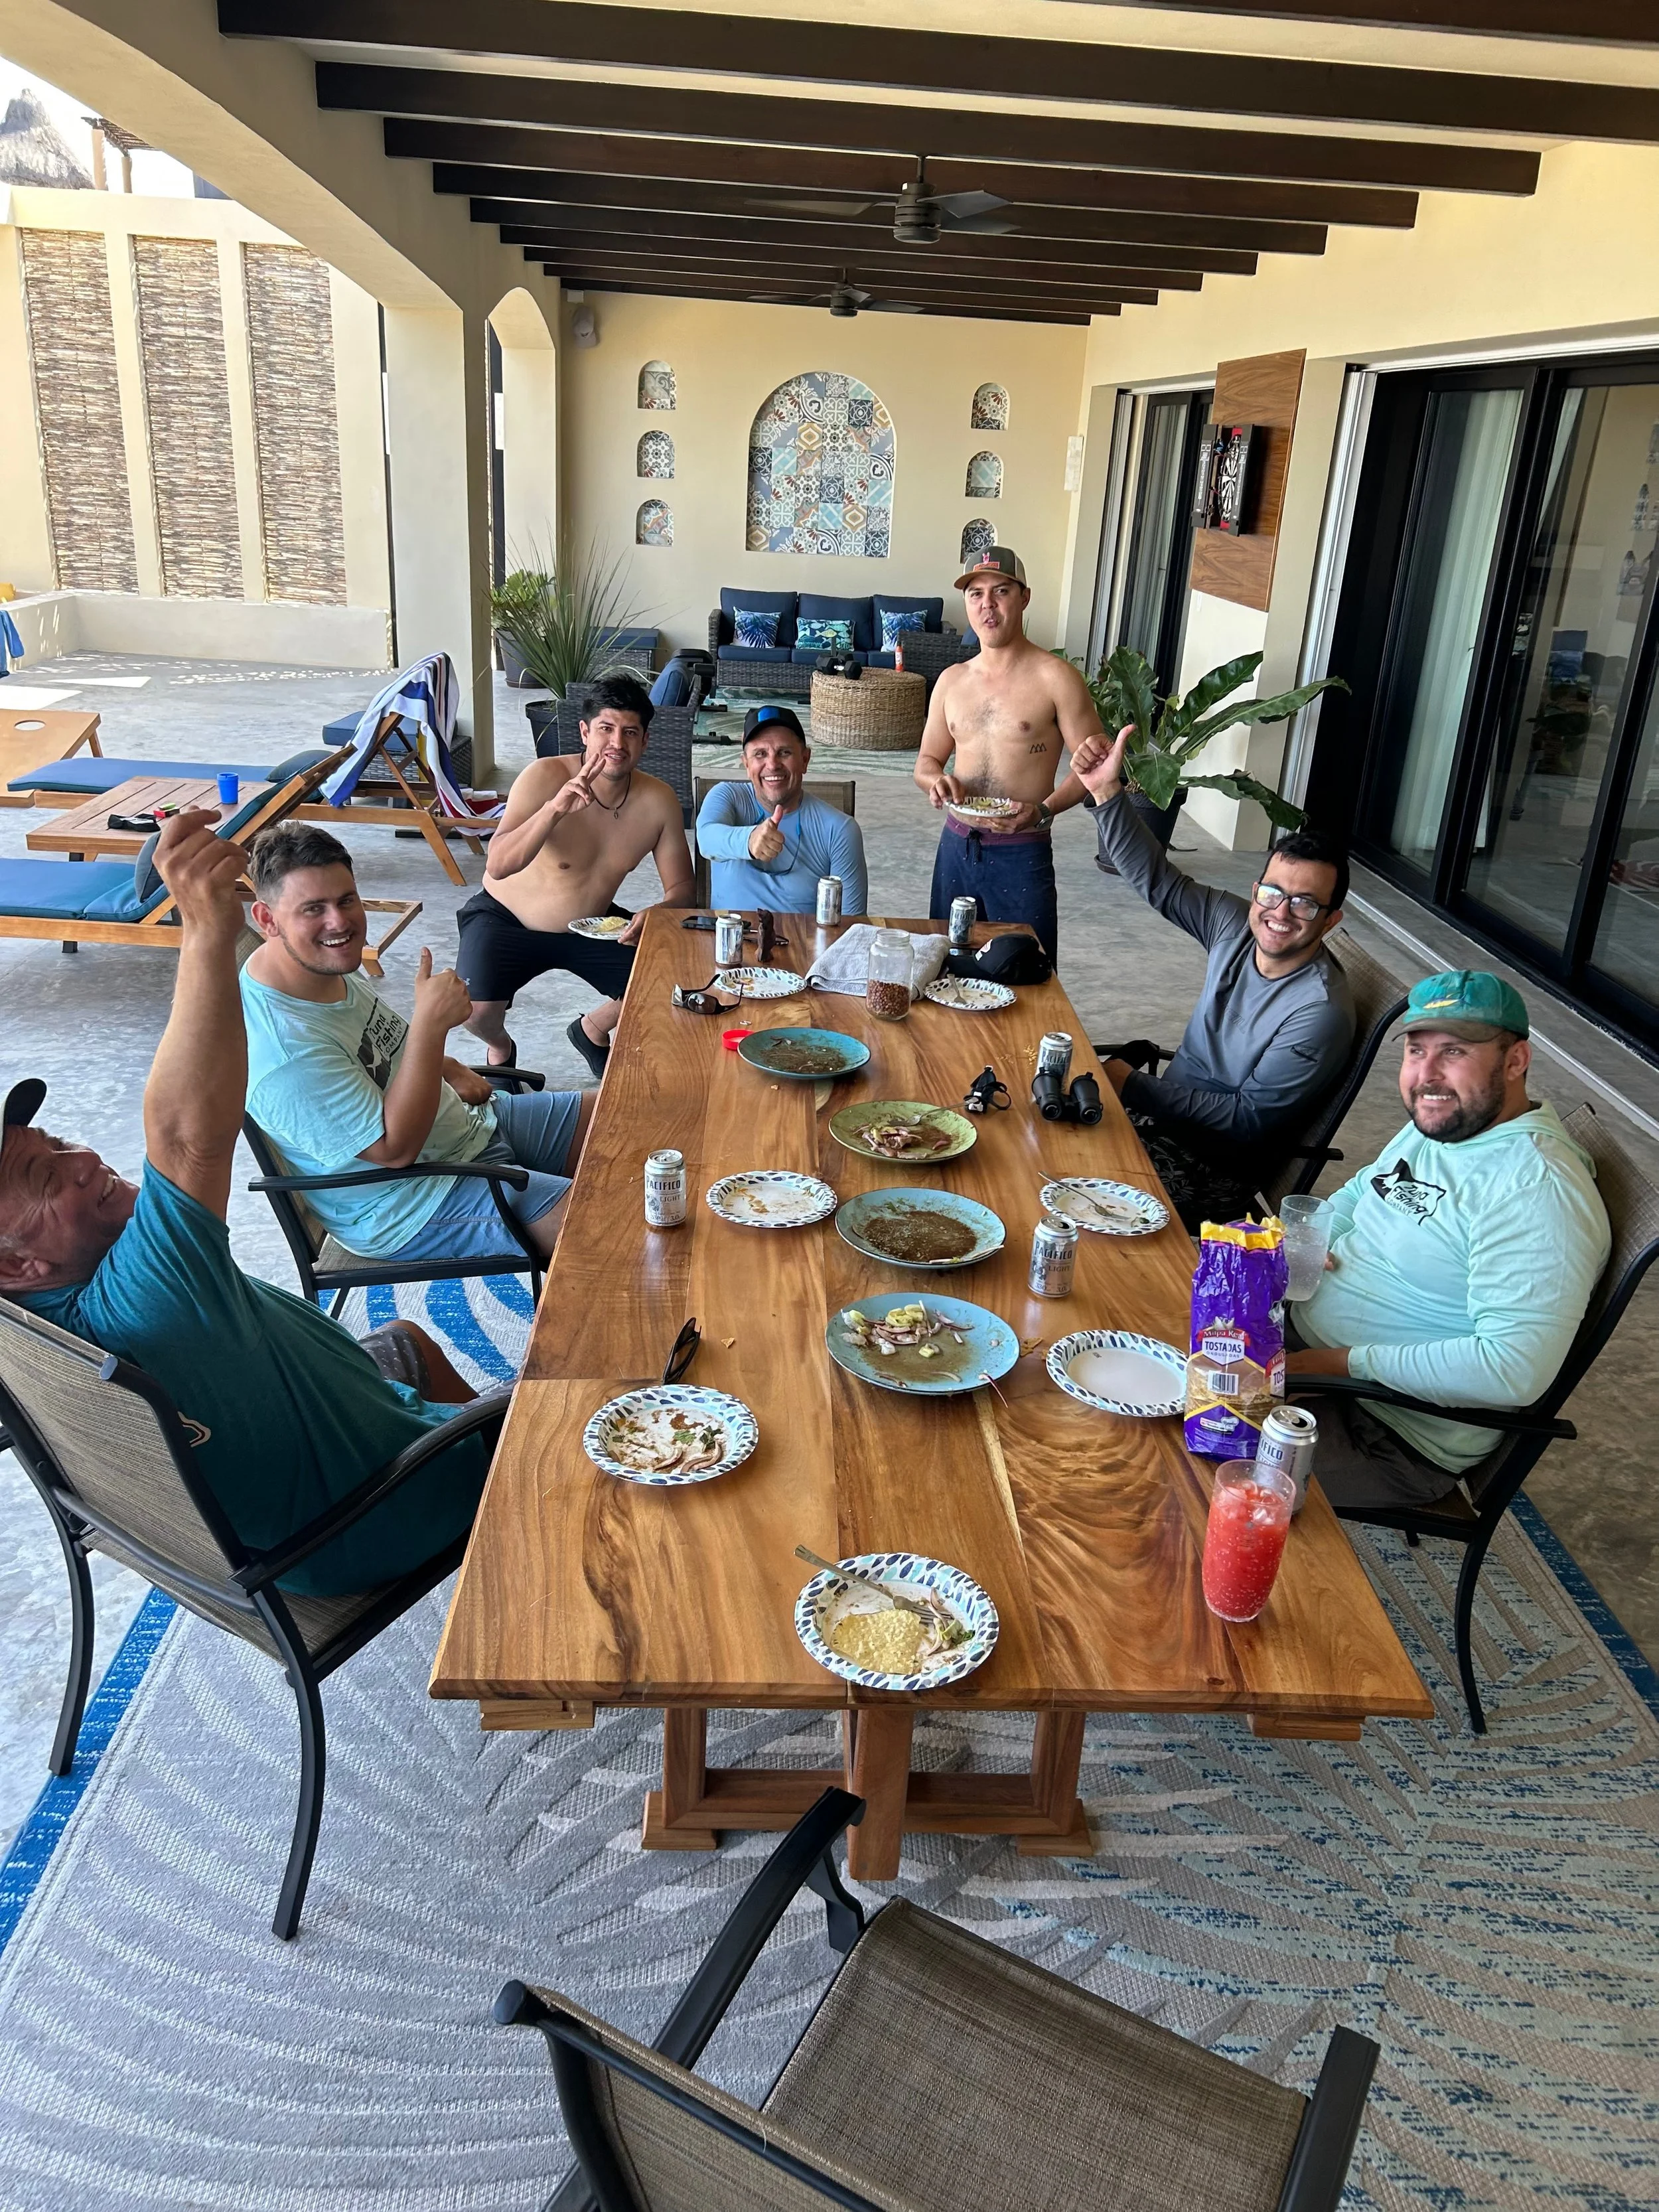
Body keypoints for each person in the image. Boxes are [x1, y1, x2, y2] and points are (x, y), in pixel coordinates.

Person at [0, 810, 493, 1599]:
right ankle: (513, 1512)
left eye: (57, 1141)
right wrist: (204, 927)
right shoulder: (141, 1299)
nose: (85, 1159)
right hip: (366, 1514)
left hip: (293, 1496)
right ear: (17, 1265)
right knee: (573, 1413)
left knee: (403, 1341)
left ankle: (502, 1499)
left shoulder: (29, 1319)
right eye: (46, 1178)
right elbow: (187, 1139)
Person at [1285, 971, 1611, 1510]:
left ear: (1516, 1060)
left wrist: (1339, 1365)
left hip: (1385, 1429)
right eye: (1417, 1050)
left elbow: (1510, 1369)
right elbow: (1367, 1187)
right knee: (1157, 1330)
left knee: (1184, 1452)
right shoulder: (1446, 1121)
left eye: (1454, 1051)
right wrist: (1307, 1245)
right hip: (1307, 1351)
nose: (1427, 1074)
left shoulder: (1535, 1191)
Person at [241, 823, 593, 1267]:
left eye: (346, 900)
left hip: (462, 1129)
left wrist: (446, 1065)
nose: (340, 922)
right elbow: (395, 1151)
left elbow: (381, 1053)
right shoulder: (285, 1052)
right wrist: (431, 1025)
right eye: (314, 909)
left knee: (627, 1111)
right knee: (613, 1224)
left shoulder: (316, 963)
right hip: (410, 1200)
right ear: (267, 920)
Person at [1070, 721, 1355, 1231]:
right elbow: (1159, 881)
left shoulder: (1319, 1011)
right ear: (1256, 888)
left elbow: (1247, 1119)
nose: (1280, 913)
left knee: (1059, 1172)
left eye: (1304, 903)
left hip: (1213, 1168)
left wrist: (1131, 1084)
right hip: (1157, 1122)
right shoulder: (1235, 923)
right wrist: (1107, 793)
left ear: (1330, 920)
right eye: (1273, 892)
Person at [455, 675, 696, 1078]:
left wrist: (659, 910)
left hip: (592, 925)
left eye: (630, 732)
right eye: (606, 729)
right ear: (585, 732)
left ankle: (592, 1030)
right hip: (505, 918)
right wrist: (554, 809)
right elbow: (497, 865)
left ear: (645, 741)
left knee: (675, 978)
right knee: (473, 1013)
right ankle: (500, 1047)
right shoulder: (543, 775)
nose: (617, 743)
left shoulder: (658, 801)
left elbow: (683, 889)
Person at [914, 546, 1104, 964]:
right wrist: (937, 781)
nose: (988, 604)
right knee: (944, 964)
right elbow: (926, 762)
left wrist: (1043, 811)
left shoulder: (1056, 678)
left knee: (1028, 971)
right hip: (957, 845)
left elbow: (1096, 770)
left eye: (1001, 591)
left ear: (1024, 597)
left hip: (1022, 849)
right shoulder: (951, 681)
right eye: (976, 594)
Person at [694, 705, 869, 916]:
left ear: (805, 760)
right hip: (732, 934)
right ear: (746, 764)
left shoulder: (839, 830)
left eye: (784, 752)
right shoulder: (727, 797)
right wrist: (749, 840)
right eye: (760, 754)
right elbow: (706, 839)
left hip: (804, 937)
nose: (772, 765)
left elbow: (851, 923)